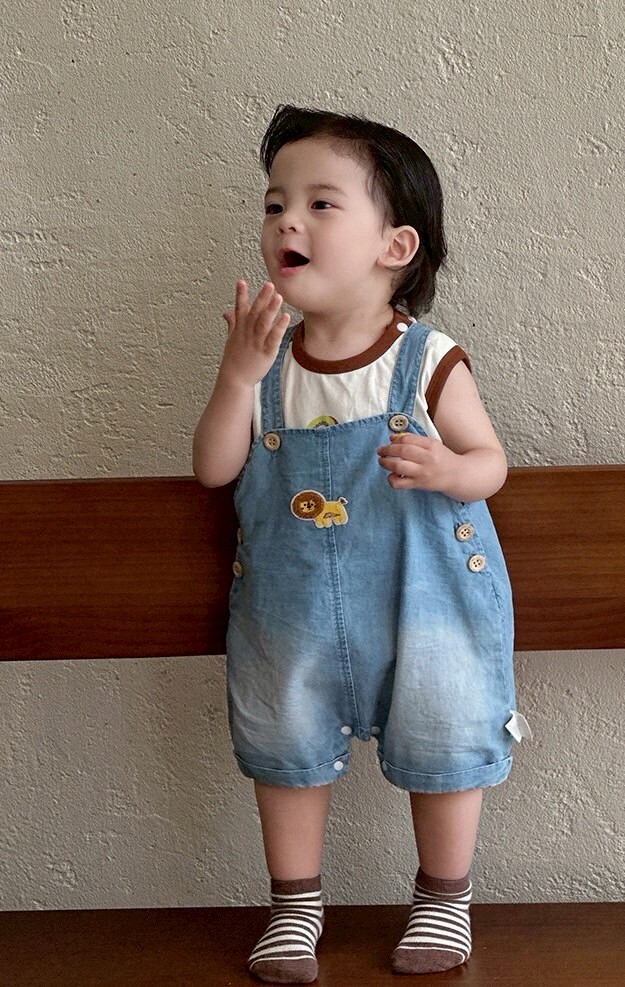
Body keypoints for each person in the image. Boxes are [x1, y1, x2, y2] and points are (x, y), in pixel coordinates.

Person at [193, 104, 528, 985]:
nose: (286, 222)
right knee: (286, 743)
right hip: (293, 608)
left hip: (426, 601)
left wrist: (449, 469)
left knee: (445, 734)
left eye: (320, 203)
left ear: (395, 246)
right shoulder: (266, 362)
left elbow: (491, 462)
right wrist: (235, 375)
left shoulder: (426, 359)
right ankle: (294, 904)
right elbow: (213, 468)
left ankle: (444, 895)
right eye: (274, 204)